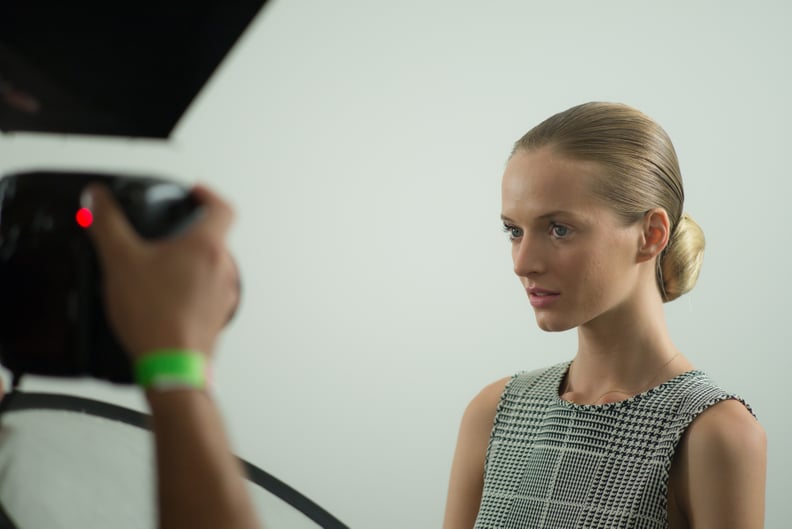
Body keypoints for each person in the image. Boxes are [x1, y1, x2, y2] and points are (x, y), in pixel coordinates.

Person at [442, 102, 766, 529]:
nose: (523, 263)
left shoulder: (715, 435)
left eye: (559, 229)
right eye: (514, 231)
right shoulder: (494, 414)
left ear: (651, 235)